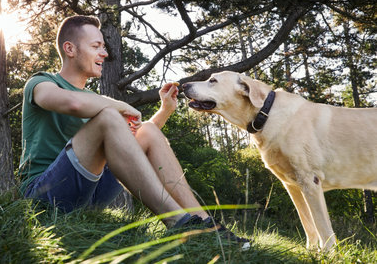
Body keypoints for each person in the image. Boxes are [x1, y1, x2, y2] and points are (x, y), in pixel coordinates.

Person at [19, 15, 249, 246]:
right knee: (109, 115)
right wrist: (120, 106)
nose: (105, 53)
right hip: (44, 196)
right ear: (70, 49)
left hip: (91, 194)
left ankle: (206, 225)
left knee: (147, 130)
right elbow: (72, 104)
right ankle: (180, 223)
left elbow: (133, 140)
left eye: (104, 47)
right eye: (96, 46)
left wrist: (165, 111)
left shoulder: (94, 100)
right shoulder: (41, 83)